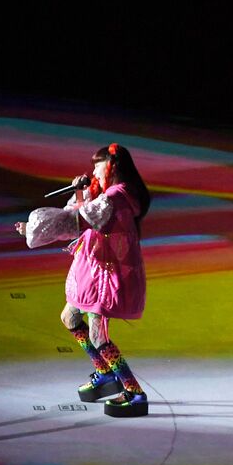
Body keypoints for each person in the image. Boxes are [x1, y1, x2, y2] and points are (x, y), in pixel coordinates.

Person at [15, 142, 152, 417]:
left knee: (97, 334)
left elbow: (76, 221)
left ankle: (134, 392)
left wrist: (34, 227)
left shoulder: (115, 197)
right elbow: (84, 211)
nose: (93, 170)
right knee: (69, 318)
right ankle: (104, 373)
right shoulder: (108, 194)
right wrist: (81, 190)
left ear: (111, 167)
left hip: (107, 275)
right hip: (94, 269)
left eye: (96, 165)